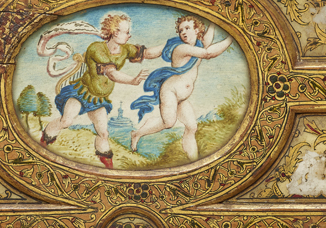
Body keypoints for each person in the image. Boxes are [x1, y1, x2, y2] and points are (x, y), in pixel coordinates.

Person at [40, 12, 159, 169]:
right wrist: (132, 80)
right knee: (66, 121)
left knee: (103, 133)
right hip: (81, 93)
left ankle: (107, 164)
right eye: (127, 32)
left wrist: (172, 46)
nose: (129, 35)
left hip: (98, 99)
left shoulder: (125, 49)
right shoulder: (96, 48)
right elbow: (111, 72)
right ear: (115, 32)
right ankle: (44, 140)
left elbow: (147, 53)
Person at [130, 15, 233, 160]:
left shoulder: (197, 45)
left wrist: (213, 22)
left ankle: (193, 160)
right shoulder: (181, 48)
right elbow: (208, 53)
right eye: (180, 30)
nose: (183, 32)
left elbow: (206, 41)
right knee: (168, 122)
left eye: (187, 28)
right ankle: (136, 134)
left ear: (197, 30)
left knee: (192, 127)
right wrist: (231, 38)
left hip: (182, 97)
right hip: (170, 91)